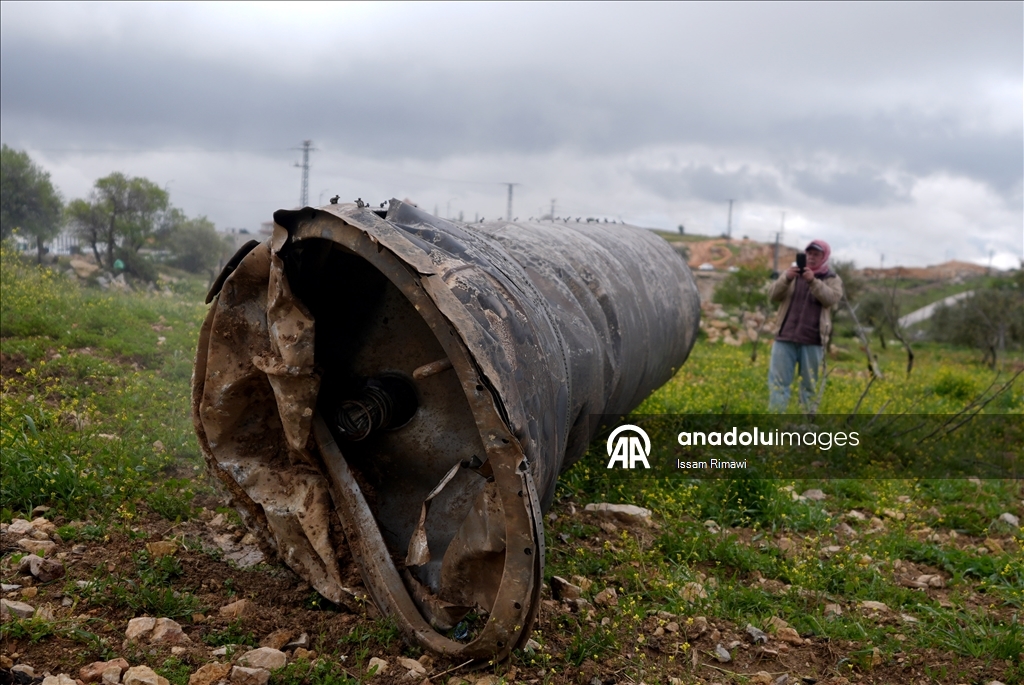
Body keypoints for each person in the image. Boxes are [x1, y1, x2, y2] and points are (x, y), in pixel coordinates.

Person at [767, 240, 844, 412]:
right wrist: (786, 278)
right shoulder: (791, 274)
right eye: (808, 253)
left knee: (808, 386)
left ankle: (805, 423)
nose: (811, 257)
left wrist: (813, 281)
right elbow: (772, 295)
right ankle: (775, 423)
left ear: (824, 257)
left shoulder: (832, 278)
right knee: (778, 383)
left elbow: (831, 299)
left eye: (816, 254)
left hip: (812, 340)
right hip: (785, 336)